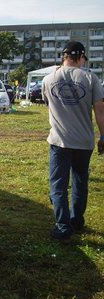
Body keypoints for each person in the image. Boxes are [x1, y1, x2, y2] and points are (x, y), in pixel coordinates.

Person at [42, 41, 104, 241]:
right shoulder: (90, 77)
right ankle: (77, 221)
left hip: (60, 141)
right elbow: (100, 111)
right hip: (84, 142)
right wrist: (103, 136)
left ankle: (63, 227)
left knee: (59, 185)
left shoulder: (48, 79)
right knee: (80, 182)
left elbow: (48, 103)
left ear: (64, 56)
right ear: (81, 56)